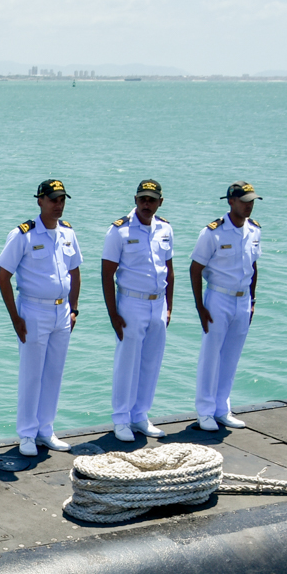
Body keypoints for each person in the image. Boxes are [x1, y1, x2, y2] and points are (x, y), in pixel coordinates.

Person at [0, 179, 82, 457]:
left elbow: (75, 271)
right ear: (40, 201)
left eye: (62, 200)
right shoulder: (23, 235)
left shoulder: (68, 232)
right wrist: (15, 318)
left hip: (61, 311)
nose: (58, 205)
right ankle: (27, 433)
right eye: (53, 199)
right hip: (33, 310)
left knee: (54, 372)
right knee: (31, 375)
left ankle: (46, 429)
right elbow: (3, 276)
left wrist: (74, 308)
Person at [101, 179, 175, 443]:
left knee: (151, 362)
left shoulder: (165, 228)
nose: (146, 204)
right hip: (131, 303)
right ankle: (121, 418)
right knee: (127, 364)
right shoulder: (119, 231)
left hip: (158, 303)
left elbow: (169, 269)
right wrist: (113, 313)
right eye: (142, 198)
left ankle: (140, 415)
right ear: (135, 200)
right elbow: (107, 274)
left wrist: (169, 306)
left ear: (160, 202)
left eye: (151, 199)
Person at [190, 182, 263, 431]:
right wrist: (200, 306)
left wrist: (252, 301)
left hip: (243, 300)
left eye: (252, 201)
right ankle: (205, 411)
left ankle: (222, 408)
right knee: (211, 356)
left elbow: (253, 267)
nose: (249, 206)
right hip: (218, 298)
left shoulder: (254, 230)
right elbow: (195, 269)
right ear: (231, 201)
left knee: (231, 356)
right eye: (245, 201)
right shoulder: (212, 233)